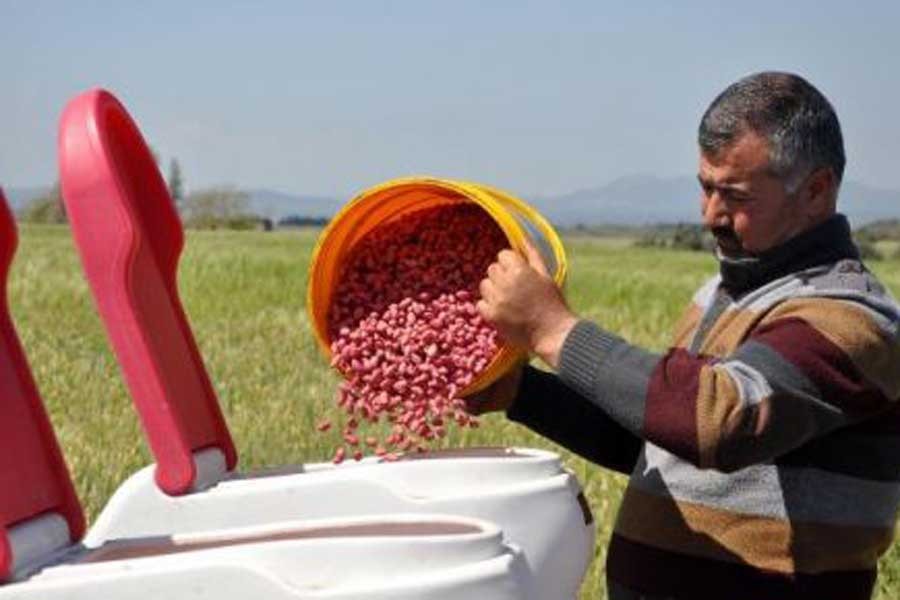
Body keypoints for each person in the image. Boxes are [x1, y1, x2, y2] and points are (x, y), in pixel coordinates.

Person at [469, 72, 900, 600]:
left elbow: (721, 422)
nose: (710, 214)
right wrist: (519, 391)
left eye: (735, 195)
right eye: (705, 187)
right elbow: (661, 445)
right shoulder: (718, 293)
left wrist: (552, 329)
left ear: (815, 192)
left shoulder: (851, 316)